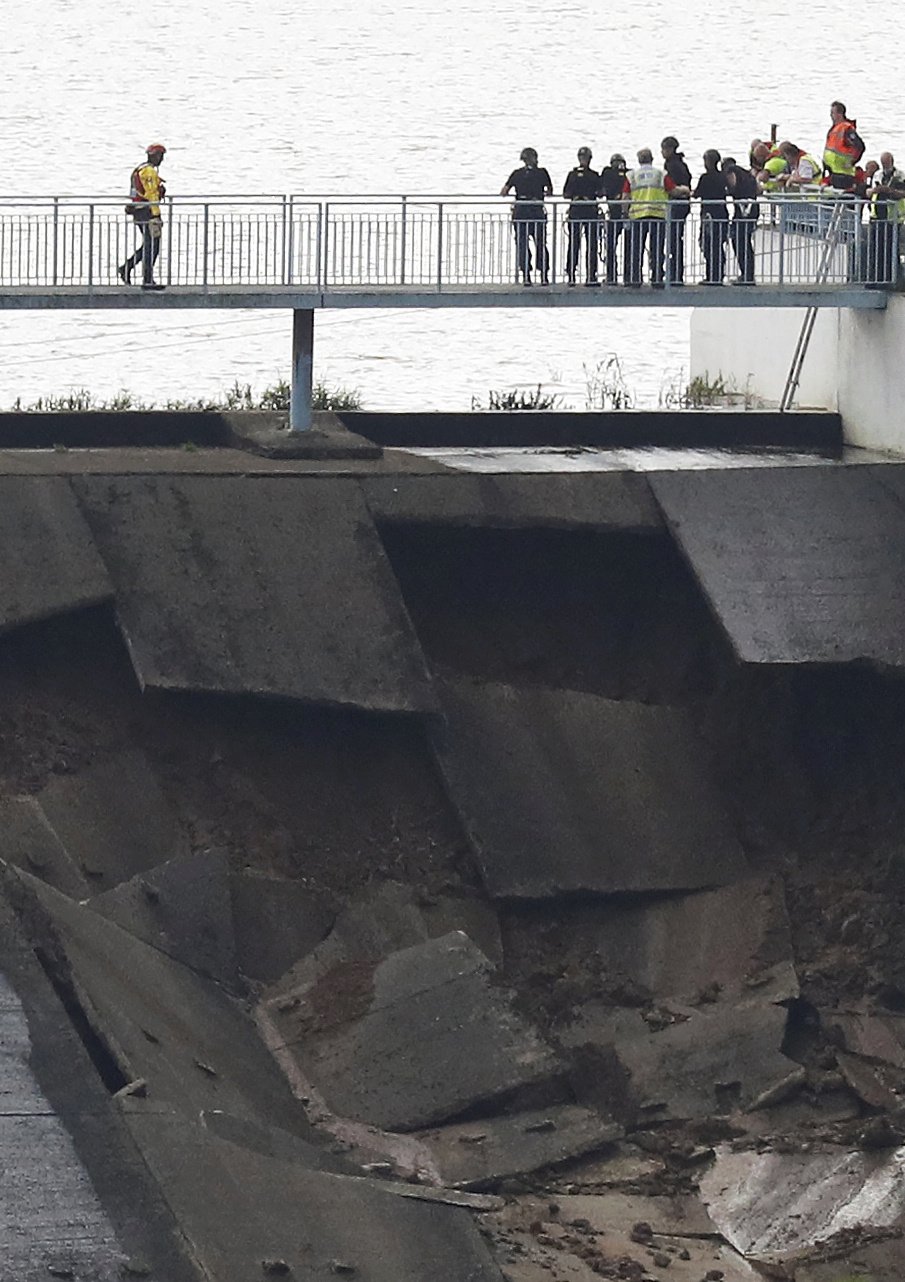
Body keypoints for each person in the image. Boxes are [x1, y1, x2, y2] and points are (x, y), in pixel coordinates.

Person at [500, 147, 552, 285]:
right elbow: (550, 191)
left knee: (523, 244)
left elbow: (504, 191)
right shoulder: (542, 173)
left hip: (521, 211)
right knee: (540, 243)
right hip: (536, 210)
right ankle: (543, 275)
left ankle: (526, 275)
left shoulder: (517, 174)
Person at [119, 143, 167, 290]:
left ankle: (127, 267)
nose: (162, 160)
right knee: (153, 246)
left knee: (148, 244)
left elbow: (135, 193)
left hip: (138, 211)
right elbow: (152, 195)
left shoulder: (139, 169)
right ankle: (147, 279)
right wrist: (156, 215)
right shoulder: (149, 172)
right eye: (161, 156)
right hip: (147, 212)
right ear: (156, 156)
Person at [625, 148, 667, 286]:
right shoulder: (660, 174)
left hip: (638, 216)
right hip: (657, 215)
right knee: (657, 248)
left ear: (638, 160)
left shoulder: (632, 175)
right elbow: (672, 189)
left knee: (636, 248)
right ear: (652, 159)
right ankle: (657, 277)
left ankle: (635, 278)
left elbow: (625, 197)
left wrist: (624, 213)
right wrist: (684, 191)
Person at [563, 147, 601, 285]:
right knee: (589, 244)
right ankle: (589, 275)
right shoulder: (594, 175)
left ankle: (573, 274)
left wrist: (576, 195)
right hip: (589, 211)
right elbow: (601, 192)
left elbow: (566, 194)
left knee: (575, 244)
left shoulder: (572, 175)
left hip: (576, 211)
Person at [868, 152, 905, 285]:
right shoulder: (878, 175)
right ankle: (876, 277)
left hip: (893, 219)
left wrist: (890, 191)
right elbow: (869, 192)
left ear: (892, 162)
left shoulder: (900, 176)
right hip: (877, 217)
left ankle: (893, 279)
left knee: (891, 250)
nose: (885, 166)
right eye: (883, 163)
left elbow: (902, 194)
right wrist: (875, 191)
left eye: (887, 163)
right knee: (876, 249)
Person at [695, 149, 728, 284]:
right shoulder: (723, 177)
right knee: (718, 244)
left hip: (709, 216)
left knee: (708, 246)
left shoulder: (705, 178)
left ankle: (711, 276)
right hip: (721, 213)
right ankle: (719, 274)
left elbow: (697, 193)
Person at [661, 136, 692, 284]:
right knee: (676, 239)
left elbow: (670, 185)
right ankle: (676, 273)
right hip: (683, 204)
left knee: (673, 240)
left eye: (665, 149)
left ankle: (674, 273)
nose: (663, 152)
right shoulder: (681, 164)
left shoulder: (671, 165)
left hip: (676, 204)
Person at [723, 160, 760, 284]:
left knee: (739, 241)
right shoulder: (749, 176)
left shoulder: (731, 172)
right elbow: (759, 189)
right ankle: (748, 274)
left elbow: (732, 186)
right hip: (753, 210)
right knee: (746, 242)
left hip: (743, 211)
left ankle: (746, 275)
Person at [599, 153, 629, 283]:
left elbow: (602, 191)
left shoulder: (607, 173)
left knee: (611, 245)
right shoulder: (630, 174)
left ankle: (612, 276)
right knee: (630, 246)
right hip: (628, 213)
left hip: (614, 213)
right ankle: (630, 276)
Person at [823, 101, 865, 192]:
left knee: (843, 201)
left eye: (832, 113)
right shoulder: (834, 129)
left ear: (840, 114)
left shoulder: (846, 129)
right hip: (834, 172)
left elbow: (860, 146)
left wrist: (852, 161)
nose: (831, 115)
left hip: (845, 174)